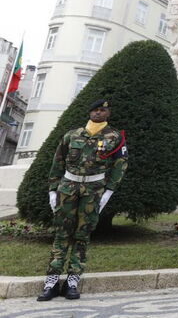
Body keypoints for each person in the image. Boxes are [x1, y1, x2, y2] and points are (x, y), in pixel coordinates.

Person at [38, 100, 127, 302]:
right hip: (67, 188)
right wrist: (53, 190)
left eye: (102, 109)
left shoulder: (115, 138)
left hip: (93, 191)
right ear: (89, 111)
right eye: (95, 109)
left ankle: (72, 282)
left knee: (82, 235)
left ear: (108, 113)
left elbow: (120, 165)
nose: (98, 112)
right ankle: (51, 282)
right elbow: (57, 162)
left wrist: (109, 192)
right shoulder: (72, 134)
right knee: (61, 234)